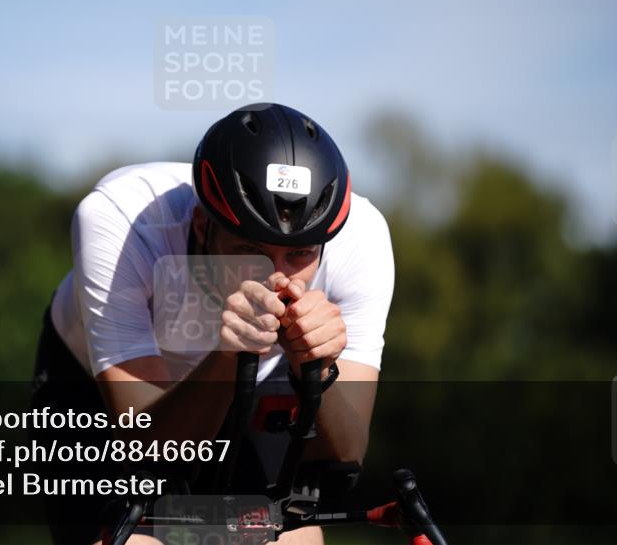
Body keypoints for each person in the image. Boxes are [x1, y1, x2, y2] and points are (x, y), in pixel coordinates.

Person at [31, 103, 395, 544]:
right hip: (97, 388)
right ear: (203, 225)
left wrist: (315, 369)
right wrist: (226, 358)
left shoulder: (361, 239)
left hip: (258, 378)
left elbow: (346, 456)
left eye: (300, 254)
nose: (277, 278)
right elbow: (150, 453)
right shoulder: (122, 220)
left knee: (295, 538)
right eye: (249, 251)